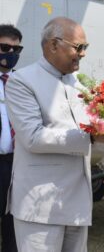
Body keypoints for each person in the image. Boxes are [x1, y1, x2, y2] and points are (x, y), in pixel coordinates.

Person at [5, 17, 104, 252]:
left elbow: (95, 130)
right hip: (40, 205)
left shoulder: (81, 85)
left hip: (78, 202)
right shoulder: (21, 81)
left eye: (85, 48)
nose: (83, 54)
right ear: (53, 45)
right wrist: (92, 137)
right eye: (78, 47)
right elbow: (32, 137)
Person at [0, 24, 23, 252]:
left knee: (13, 224)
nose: (10, 54)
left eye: (16, 49)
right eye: (4, 47)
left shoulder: (21, 82)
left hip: (16, 163)